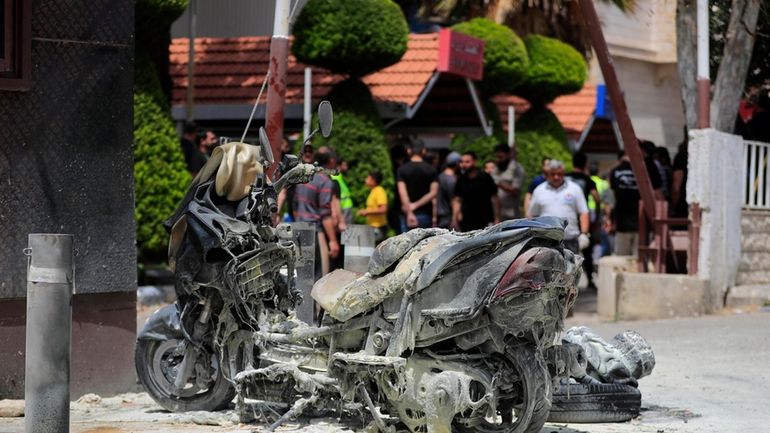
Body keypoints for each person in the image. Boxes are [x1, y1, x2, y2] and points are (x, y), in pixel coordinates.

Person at [292, 151, 340, 281]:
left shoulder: (304, 178)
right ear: (330, 161)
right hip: (314, 232)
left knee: (301, 274)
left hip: (298, 230)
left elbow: (295, 206)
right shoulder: (325, 182)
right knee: (319, 275)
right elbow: (325, 215)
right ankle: (313, 302)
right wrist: (333, 241)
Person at [528, 159, 590, 254]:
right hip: (546, 242)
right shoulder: (539, 190)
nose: (556, 177)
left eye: (559, 174)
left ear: (563, 173)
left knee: (571, 268)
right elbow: (532, 215)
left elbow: (583, 212)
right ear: (547, 174)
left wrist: (584, 234)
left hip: (570, 240)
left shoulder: (575, 189)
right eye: (553, 174)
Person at [609, 151, 663, 256]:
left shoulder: (615, 171)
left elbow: (613, 197)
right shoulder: (645, 170)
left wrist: (611, 220)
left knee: (621, 260)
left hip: (622, 222)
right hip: (642, 222)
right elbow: (656, 194)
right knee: (639, 260)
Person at [567, 152, 600, 289]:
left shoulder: (565, 178)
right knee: (587, 250)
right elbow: (596, 198)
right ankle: (590, 280)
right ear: (585, 164)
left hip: (567, 219)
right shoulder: (588, 180)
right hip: (583, 219)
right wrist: (597, 215)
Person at [452, 151, 500, 231]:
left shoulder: (485, 177)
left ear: (474, 162)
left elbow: (494, 198)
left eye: (467, 162)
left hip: (484, 221)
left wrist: (497, 218)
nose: (464, 165)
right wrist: (454, 219)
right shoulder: (461, 180)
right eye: (462, 162)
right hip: (466, 221)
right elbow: (457, 200)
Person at [397, 141, 438, 231]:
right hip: (425, 213)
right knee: (426, 244)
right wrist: (415, 205)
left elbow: (402, 192)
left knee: (406, 244)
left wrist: (409, 212)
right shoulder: (431, 170)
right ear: (423, 151)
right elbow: (433, 193)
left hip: (407, 214)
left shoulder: (402, 170)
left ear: (409, 151)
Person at [491, 144, 526, 220]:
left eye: (500, 157)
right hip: (495, 215)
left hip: (511, 216)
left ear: (508, 155)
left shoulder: (517, 169)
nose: (498, 159)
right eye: (497, 157)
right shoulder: (495, 169)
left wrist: (498, 183)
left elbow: (515, 191)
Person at [359, 170, 388, 244]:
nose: (365, 180)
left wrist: (367, 211)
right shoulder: (373, 191)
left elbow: (383, 209)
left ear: (373, 180)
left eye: (367, 178)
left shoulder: (379, 191)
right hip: (373, 227)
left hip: (378, 227)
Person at [437, 152, 460, 228]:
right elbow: (454, 200)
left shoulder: (439, 177)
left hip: (438, 216)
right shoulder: (452, 180)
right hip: (448, 217)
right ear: (457, 164)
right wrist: (455, 219)